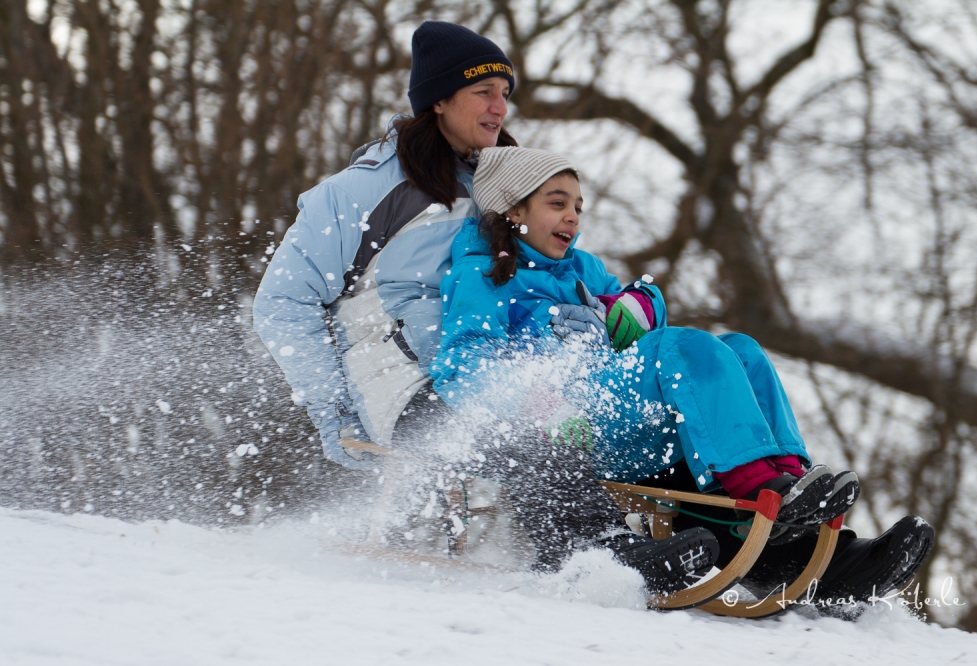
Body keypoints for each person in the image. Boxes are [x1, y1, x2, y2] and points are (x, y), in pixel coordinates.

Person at [253, 20, 721, 595]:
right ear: (439, 100)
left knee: (660, 396)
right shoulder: (358, 194)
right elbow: (282, 302)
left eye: (506, 93)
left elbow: (562, 269)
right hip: (409, 383)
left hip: (515, 362)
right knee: (522, 414)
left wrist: (601, 311)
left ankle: (739, 534)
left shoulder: (505, 180)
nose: (500, 107)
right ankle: (597, 553)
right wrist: (333, 410)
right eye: (484, 92)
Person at [429, 145, 935, 607]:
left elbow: (654, 344)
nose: (572, 216)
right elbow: (462, 365)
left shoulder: (582, 269)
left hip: (628, 414)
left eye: (579, 206)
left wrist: (641, 305)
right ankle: (760, 494)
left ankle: (792, 496)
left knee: (742, 350)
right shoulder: (485, 273)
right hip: (575, 430)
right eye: (556, 203)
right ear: (513, 210)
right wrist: (533, 401)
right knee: (687, 346)